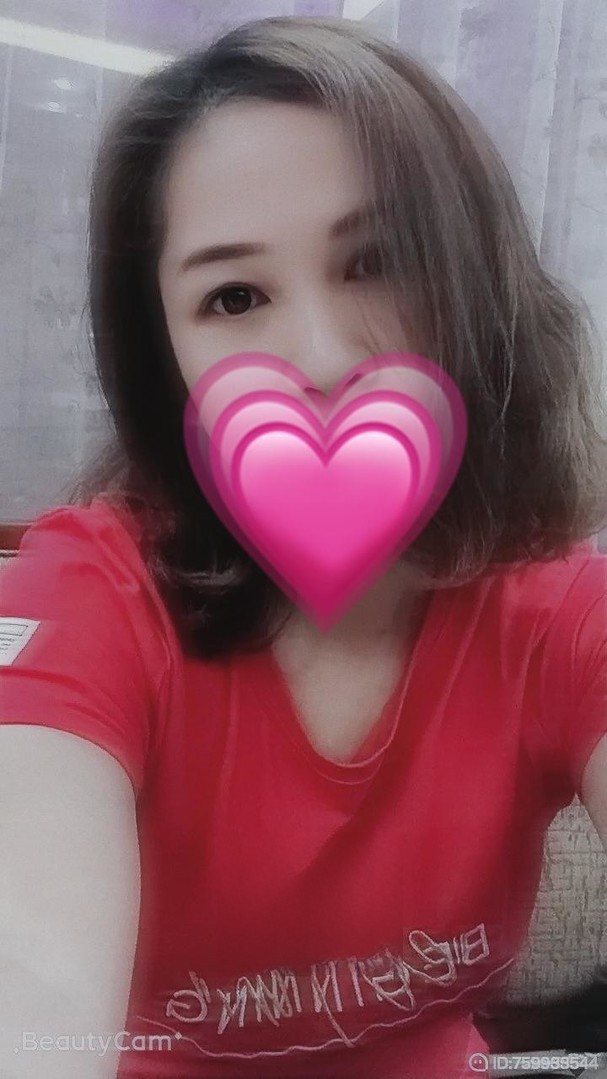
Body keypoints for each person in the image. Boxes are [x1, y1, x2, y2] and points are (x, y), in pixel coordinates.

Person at [1, 14, 606, 1079]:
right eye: (233, 297)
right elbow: (29, 971)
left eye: (376, 262)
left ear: (475, 281)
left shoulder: (557, 609)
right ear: (167, 356)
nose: (321, 357)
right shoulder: (87, 592)